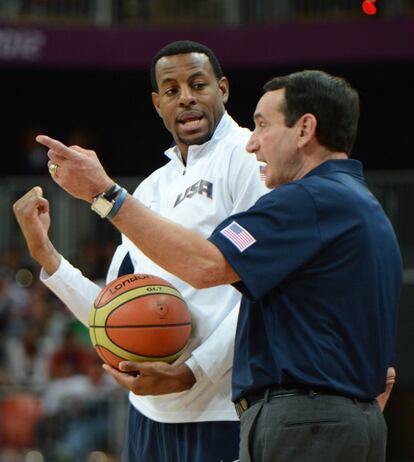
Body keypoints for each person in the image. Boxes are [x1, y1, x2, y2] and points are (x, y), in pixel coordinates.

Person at [17, 69, 403, 462]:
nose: (252, 144)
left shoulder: (306, 201)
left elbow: (207, 264)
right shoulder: (362, 206)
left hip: (303, 420)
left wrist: (107, 196)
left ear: (304, 129)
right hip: (337, 417)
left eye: (262, 126)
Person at [13, 40, 268, 462]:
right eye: (171, 89)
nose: (185, 96)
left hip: (223, 409)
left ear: (222, 89)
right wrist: (47, 257)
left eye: (198, 84)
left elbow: (262, 291)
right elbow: (113, 309)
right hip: (146, 416)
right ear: (157, 103)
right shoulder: (150, 188)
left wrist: (192, 371)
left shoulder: (246, 158)